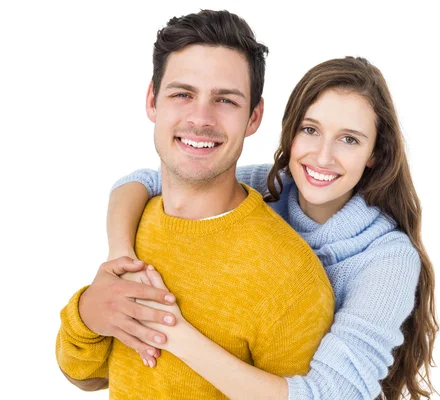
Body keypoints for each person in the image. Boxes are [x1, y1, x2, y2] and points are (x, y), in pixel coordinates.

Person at [108, 56, 439, 399]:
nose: (323, 157)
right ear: (290, 132)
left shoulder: (388, 259)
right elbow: (145, 182)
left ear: (375, 153)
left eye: (349, 140)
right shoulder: (265, 188)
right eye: (310, 130)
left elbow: (333, 394)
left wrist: (173, 332)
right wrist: (120, 257)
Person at [55, 9, 335, 399]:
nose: (200, 118)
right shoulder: (136, 221)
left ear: (254, 117)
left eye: (225, 100)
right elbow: (86, 375)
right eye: (182, 94)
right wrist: (87, 313)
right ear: (153, 101)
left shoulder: (290, 278)